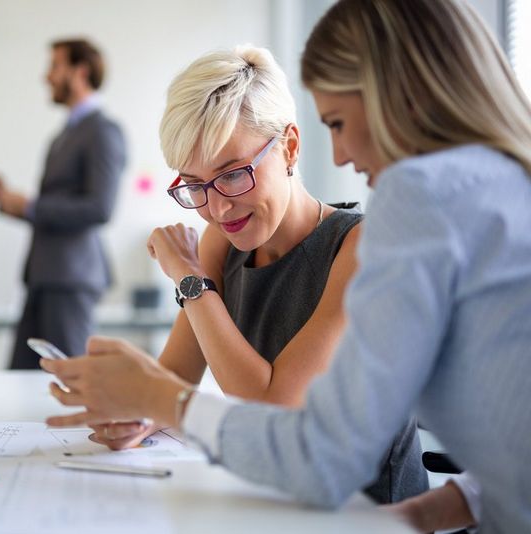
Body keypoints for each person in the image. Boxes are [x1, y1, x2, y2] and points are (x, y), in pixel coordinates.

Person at [42, 1, 531, 532]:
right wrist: (137, 404)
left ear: (289, 146)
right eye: (196, 184)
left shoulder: (399, 212)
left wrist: (173, 338)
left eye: (338, 123)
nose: (340, 155)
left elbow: (295, 431)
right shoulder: (493, 190)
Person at [85, 45, 426, 504]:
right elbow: (176, 376)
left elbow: (271, 409)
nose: (217, 207)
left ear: (289, 146)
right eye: (194, 184)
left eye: (232, 174)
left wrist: (190, 279)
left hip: (372, 513)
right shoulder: (222, 242)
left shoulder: (362, 247)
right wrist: (135, 413)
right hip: (280, 500)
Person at [0, 38, 126, 370]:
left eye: (54, 66)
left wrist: (32, 206)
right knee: (21, 378)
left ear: (80, 72)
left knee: (71, 378)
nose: (46, 76)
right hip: (45, 275)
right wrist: (13, 204)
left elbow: (100, 208)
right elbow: (57, 204)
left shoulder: (102, 131)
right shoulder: (65, 134)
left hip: (70, 276)